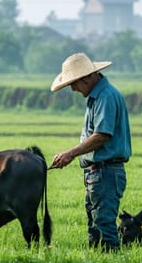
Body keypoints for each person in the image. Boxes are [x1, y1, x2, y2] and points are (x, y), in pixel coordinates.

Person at [49, 52, 131, 252]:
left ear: (87, 78)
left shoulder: (106, 97)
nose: (73, 89)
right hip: (98, 172)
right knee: (95, 227)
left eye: (74, 83)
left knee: (104, 227)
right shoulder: (97, 97)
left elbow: (102, 135)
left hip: (106, 172)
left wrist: (70, 153)